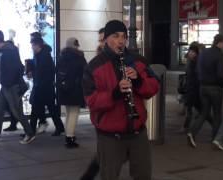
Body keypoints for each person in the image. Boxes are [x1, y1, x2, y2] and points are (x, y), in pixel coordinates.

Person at [82, 20, 159, 180]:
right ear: (106, 39)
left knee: (144, 174)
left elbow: (154, 87)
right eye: (116, 36)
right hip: (110, 136)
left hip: (138, 133)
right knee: (109, 175)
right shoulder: (94, 67)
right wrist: (114, 94)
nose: (121, 41)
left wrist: (138, 81)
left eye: (124, 36)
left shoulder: (138, 61)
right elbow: (91, 101)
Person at [0, 30, 35, 146]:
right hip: (5, 86)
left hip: (11, 87)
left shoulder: (7, 51)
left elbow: (16, 68)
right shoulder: (5, 50)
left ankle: (30, 133)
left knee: (17, 111)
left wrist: (8, 82)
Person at [187, 34, 223, 148]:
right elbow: (221, 74)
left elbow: (198, 69)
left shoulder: (204, 53)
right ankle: (216, 138)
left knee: (204, 112)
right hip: (215, 87)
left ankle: (192, 132)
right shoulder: (219, 55)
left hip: (203, 87)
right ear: (220, 42)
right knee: (217, 114)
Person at [80, 27, 105, 180]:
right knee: (105, 151)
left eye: (103, 39)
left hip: (121, 118)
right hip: (103, 114)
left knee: (108, 152)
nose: (101, 43)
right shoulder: (96, 63)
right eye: (100, 40)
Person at [29, 37, 65, 135]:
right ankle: (59, 127)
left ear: (37, 45)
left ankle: (31, 131)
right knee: (47, 109)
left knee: (41, 109)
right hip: (42, 86)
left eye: (32, 45)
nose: (31, 47)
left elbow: (49, 71)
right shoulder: (39, 55)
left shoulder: (44, 56)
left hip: (44, 87)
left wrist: (40, 80)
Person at [57, 37, 87, 148]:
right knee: (74, 113)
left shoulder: (62, 57)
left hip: (64, 89)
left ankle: (68, 134)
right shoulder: (78, 57)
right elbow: (85, 71)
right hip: (75, 89)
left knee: (69, 113)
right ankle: (70, 137)